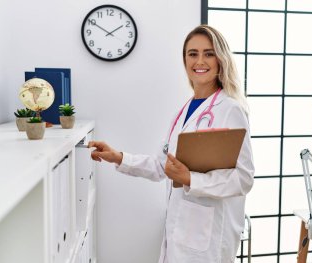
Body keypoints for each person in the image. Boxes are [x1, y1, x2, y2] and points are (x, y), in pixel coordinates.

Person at [88, 25, 255, 263]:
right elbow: (162, 166)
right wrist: (118, 157)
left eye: (209, 53)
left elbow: (244, 178)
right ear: (184, 59)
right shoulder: (183, 111)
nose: (200, 61)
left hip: (209, 237)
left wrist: (190, 179)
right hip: (179, 230)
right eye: (193, 53)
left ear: (221, 59)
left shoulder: (230, 109)